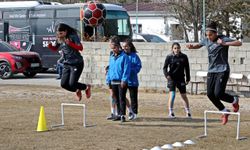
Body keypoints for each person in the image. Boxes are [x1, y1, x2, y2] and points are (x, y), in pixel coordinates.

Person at [186, 21, 242, 125]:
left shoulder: (223, 38)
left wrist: (225, 44)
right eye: (207, 35)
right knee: (210, 94)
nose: (209, 37)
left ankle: (234, 100)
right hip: (211, 70)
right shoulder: (207, 40)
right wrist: (192, 46)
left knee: (218, 93)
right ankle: (224, 111)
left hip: (223, 70)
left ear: (216, 33)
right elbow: (200, 44)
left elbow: (239, 43)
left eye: (210, 35)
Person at [48, 23, 91, 101]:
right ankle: (77, 90)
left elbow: (80, 48)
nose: (59, 35)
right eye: (58, 33)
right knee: (64, 84)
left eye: (61, 33)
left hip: (77, 63)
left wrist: (70, 43)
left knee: (72, 83)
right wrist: (50, 46)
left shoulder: (73, 36)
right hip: (67, 64)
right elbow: (55, 48)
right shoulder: (59, 38)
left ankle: (87, 87)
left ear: (66, 31)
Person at [163, 42, 191, 118]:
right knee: (172, 95)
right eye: (175, 48)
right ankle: (171, 112)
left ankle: (188, 111)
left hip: (181, 78)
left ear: (180, 48)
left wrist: (188, 78)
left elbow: (187, 68)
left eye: (178, 48)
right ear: (172, 49)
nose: (177, 49)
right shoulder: (169, 57)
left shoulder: (184, 57)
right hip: (172, 79)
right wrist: (167, 75)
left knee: (184, 95)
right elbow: (165, 68)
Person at [106, 35, 131, 123]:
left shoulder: (124, 56)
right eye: (111, 48)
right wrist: (108, 80)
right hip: (113, 81)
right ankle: (118, 114)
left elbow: (126, 69)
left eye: (114, 47)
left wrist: (124, 79)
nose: (112, 49)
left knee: (122, 98)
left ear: (117, 46)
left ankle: (123, 115)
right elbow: (110, 69)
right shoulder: (112, 56)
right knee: (116, 99)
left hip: (121, 81)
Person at [122, 39, 142, 120]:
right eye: (123, 46)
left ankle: (134, 113)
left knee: (133, 97)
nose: (125, 48)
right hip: (123, 80)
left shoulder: (135, 56)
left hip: (132, 80)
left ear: (130, 47)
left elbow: (138, 66)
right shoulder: (122, 55)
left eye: (126, 46)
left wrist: (131, 70)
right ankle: (125, 112)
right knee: (122, 96)